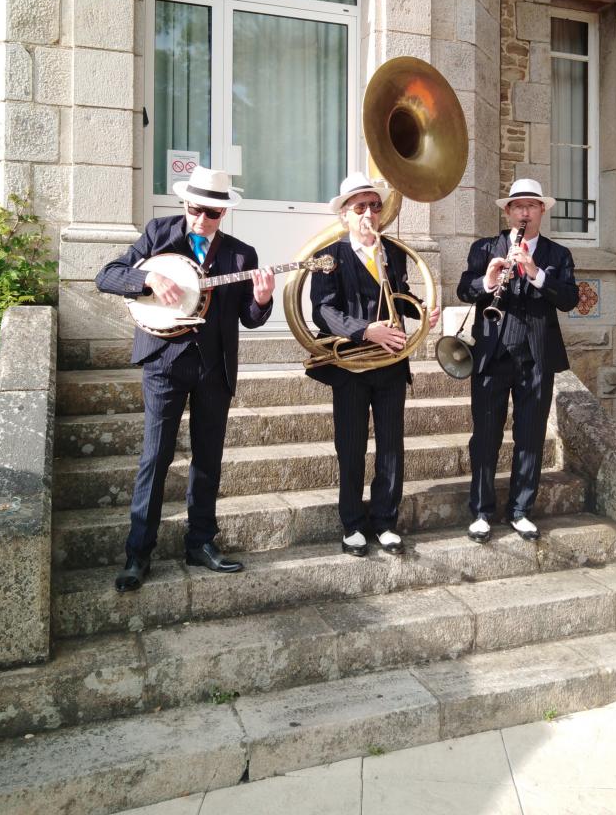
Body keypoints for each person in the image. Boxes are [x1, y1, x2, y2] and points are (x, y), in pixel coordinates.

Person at [95, 166, 275, 592]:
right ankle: (138, 552)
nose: (201, 219)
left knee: (208, 459)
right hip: (164, 362)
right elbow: (106, 275)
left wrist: (263, 299)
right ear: (184, 204)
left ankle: (200, 542)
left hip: (214, 366)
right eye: (195, 209)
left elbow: (248, 318)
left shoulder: (239, 255)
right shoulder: (158, 234)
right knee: (155, 457)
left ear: (223, 213)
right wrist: (148, 278)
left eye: (211, 212)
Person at [307, 172, 440, 557]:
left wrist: (419, 314)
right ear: (345, 215)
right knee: (350, 446)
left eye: (374, 206)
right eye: (360, 207)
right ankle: (352, 524)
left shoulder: (392, 252)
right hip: (350, 364)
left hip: (391, 365)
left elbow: (398, 297)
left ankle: (385, 521)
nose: (369, 213)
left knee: (391, 447)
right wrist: (366, 331)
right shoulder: (328, 257)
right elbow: (324, 311)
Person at [456, 178, 578, 543]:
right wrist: (488, 282)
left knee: (530, 435)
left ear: (542, 211)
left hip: (536, 356)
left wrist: (536, 274)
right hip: (492, 354)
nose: (525, 211)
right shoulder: (484, 249)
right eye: (518, 205)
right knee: (485, 436)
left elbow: (570, 299)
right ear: (508, 211)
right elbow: (464, 289)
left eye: (532, 205)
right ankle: (481, 511)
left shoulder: (557, 256)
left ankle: (521, 510)